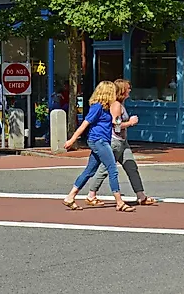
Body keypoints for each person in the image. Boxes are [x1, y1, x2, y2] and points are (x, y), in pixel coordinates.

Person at [62, 80, 134, 212]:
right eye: (112, 91)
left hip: (102, 140)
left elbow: (116, 124)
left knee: (90, 171)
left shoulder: (108, 107)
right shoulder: (97, 107)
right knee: (112, 168)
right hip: (98, 140)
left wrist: (119, 117)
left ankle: (70, 196)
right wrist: (72, 140)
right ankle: (119, 202)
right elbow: (85, 123)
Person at [84, 79, 156, 207]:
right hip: (114, 142)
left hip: (123, 142)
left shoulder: (121, 104)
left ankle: (141, 195)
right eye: (128, 88)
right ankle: (91, 194)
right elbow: (116, 126)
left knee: (131, 167)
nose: (130, 90)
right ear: (123, 90)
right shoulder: (116, 105)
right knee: (105, 169)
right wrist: (130, 122)